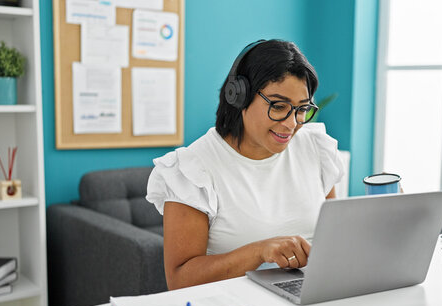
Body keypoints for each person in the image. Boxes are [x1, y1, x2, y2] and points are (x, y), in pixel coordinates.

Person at [146, 39, 344, 289]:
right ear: (239, 97)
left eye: (301, 109)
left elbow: (333, 240)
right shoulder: (193, 168)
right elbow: (179, 280)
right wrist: (259, 252)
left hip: (312, 296)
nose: (291, 123)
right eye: (279, 106)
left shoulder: (315, 148)